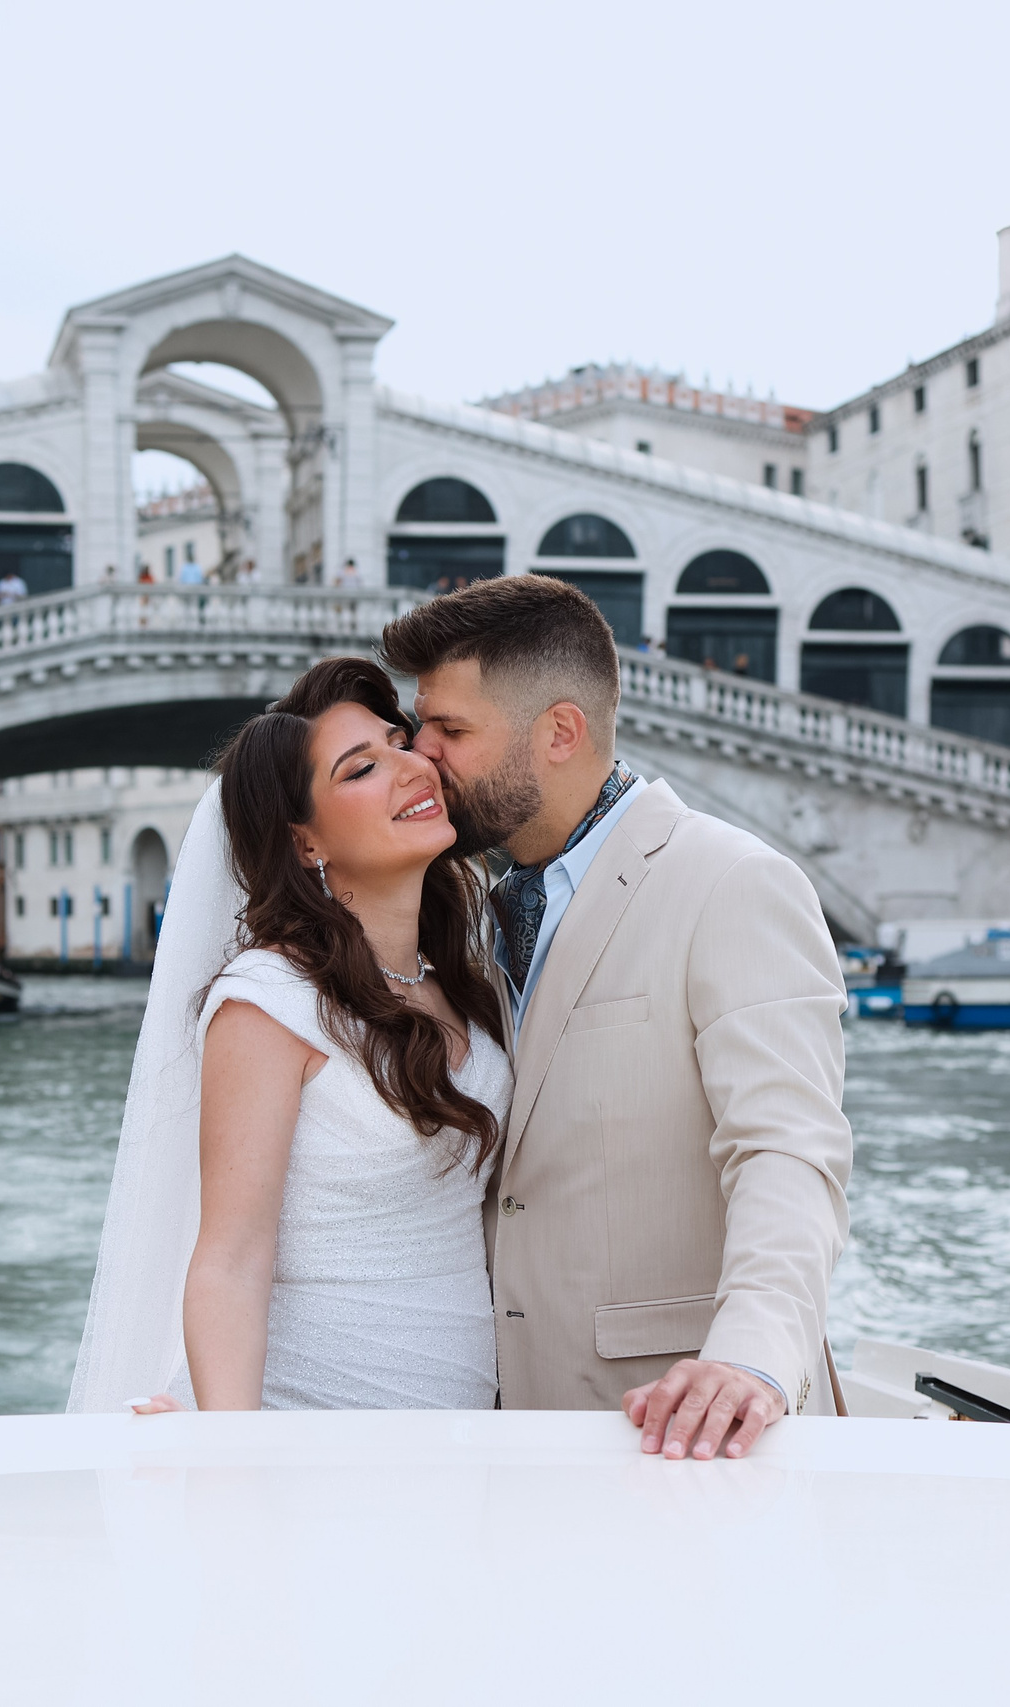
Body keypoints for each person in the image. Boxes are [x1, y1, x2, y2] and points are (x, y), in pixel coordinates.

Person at [379, 575, 851, 1461]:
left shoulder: (732, 882)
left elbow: (790, 1150)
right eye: (420, 727)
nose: (422, 755)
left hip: (693, 1437)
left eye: (451, 731)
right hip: (506, 1439)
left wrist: (750, 1358)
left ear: (560, 731)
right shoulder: (468, 912)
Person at [72, 658, 508, 1412]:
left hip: (466, 1432)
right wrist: (230, 1454)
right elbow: (231, 1259)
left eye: (400, 741)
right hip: (316, 1428)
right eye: (363, 767)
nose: (412, 768)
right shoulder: (270, 1001)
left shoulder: (466, 983)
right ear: (307, 844)